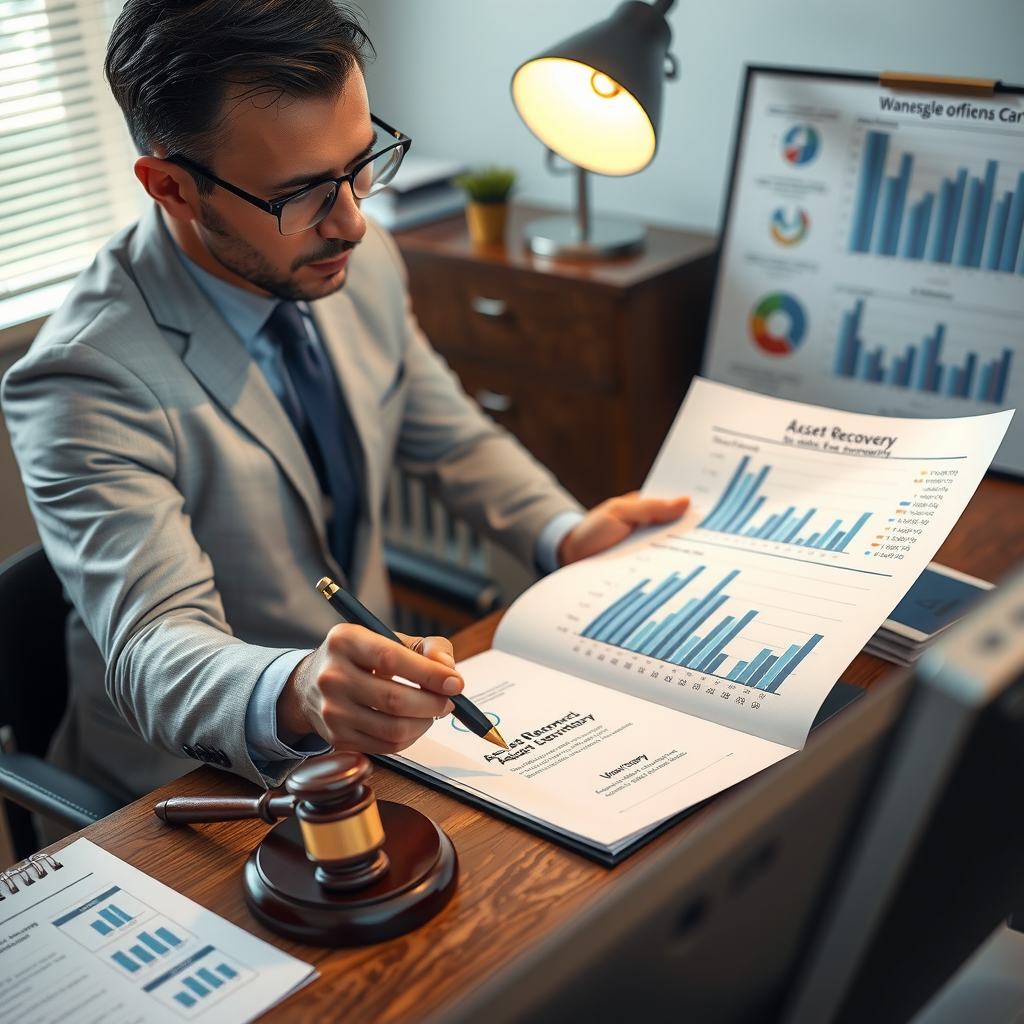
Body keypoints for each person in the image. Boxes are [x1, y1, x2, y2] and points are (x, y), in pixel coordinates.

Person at [1, 0, 689, 803]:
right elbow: (154, 645)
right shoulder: (85, 377)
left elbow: (449, 435)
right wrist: (296, 689)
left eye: (361, 163)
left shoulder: (347, 250)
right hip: (192, 796)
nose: (355, 221)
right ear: (173, 188)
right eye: (300, 193)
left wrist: (565, 533)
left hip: (378, 757)